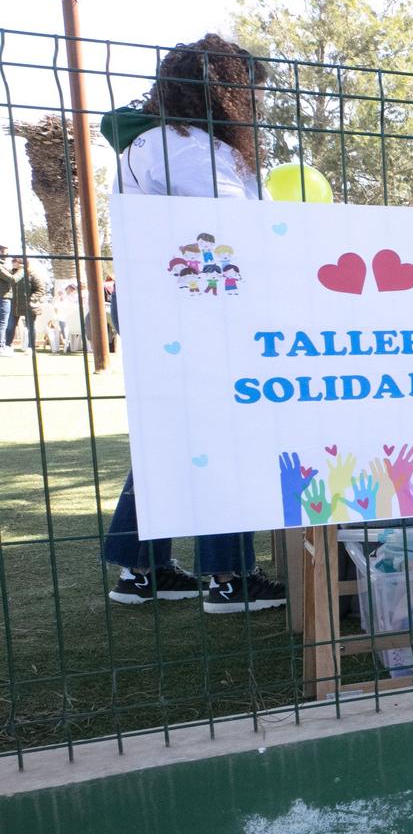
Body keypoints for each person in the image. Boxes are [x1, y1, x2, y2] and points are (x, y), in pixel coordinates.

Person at [101, 33, 286, 614]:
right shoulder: (192, 150)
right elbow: (237, 231)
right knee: (221, 436)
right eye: (247, 92)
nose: (253, 105)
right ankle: (228, 577)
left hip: (162, 312)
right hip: (205, 311)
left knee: (171, 438)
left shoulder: (148, 144)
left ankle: (142, 568)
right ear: (222, 92)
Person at [6, 255, 37, 353]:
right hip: (14, 305)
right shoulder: (10, 274)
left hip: (29, 305)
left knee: (30, 326)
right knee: (10, 326)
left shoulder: (32, 273)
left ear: (21, 263)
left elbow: (40, 289)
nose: (12, 262)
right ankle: (7, 346)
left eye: (14, 260)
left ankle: (31, 347)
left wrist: (32, 299)